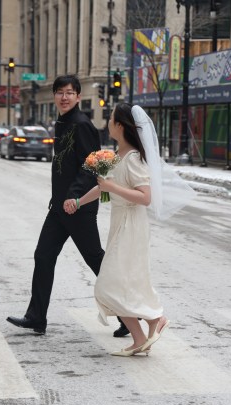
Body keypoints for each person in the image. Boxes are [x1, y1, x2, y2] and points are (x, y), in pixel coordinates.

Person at [6, 74, 128, 337]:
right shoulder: (62, 122)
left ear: (78, 97)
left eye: (69, 93)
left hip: (78, 207)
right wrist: (61, 199)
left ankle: (129, 316)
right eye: (60, 92)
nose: (64, 97)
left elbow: (91, 166)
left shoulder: (81, 124)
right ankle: (36, 317)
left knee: (96, 260)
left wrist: (73, 197)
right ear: (54, 96)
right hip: (61, 207)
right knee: (44, 255)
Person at [70, 103, 170, 356]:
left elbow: (145, 198)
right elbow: (104, 186)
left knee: (109, 285)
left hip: (131, 225)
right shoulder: (118, 154)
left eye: (111, 118)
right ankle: (144, 332)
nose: (108, 122)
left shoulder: (134, 158)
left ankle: (152, 322)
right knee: (126, 283)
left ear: (120, 126)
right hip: (120, 224)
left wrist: (111, 188)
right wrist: (80, 202)